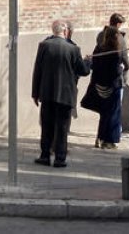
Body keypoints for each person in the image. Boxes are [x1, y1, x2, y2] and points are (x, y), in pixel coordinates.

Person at [31, 19, 91, 168]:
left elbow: (37, 69)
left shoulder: (44, 45)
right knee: (62, 127)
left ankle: (45, 156)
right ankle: (60, 158)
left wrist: (35, 92)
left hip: (47, 93)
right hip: (65, 94)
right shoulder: (73, 49)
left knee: (47, 126)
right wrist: (88, 62)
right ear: (65, 31)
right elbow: (83, 71)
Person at [90, 24, 127, 149]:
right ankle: (108, 141)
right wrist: (121, 68)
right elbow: (115, 71)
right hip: (112, 87)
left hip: (100, 86)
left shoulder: (98, 49)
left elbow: (93, 65)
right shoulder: (114, 52)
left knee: (104, 114)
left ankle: (100, 137)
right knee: (113, 114)